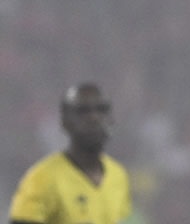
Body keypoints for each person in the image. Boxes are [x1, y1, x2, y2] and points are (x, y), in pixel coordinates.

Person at [8, 83, 133, 224]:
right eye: (83, 111)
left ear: (111, 119)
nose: (94, 118)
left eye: (101, 110)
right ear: (65, 122)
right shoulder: (42, 178)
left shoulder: (118, 176)